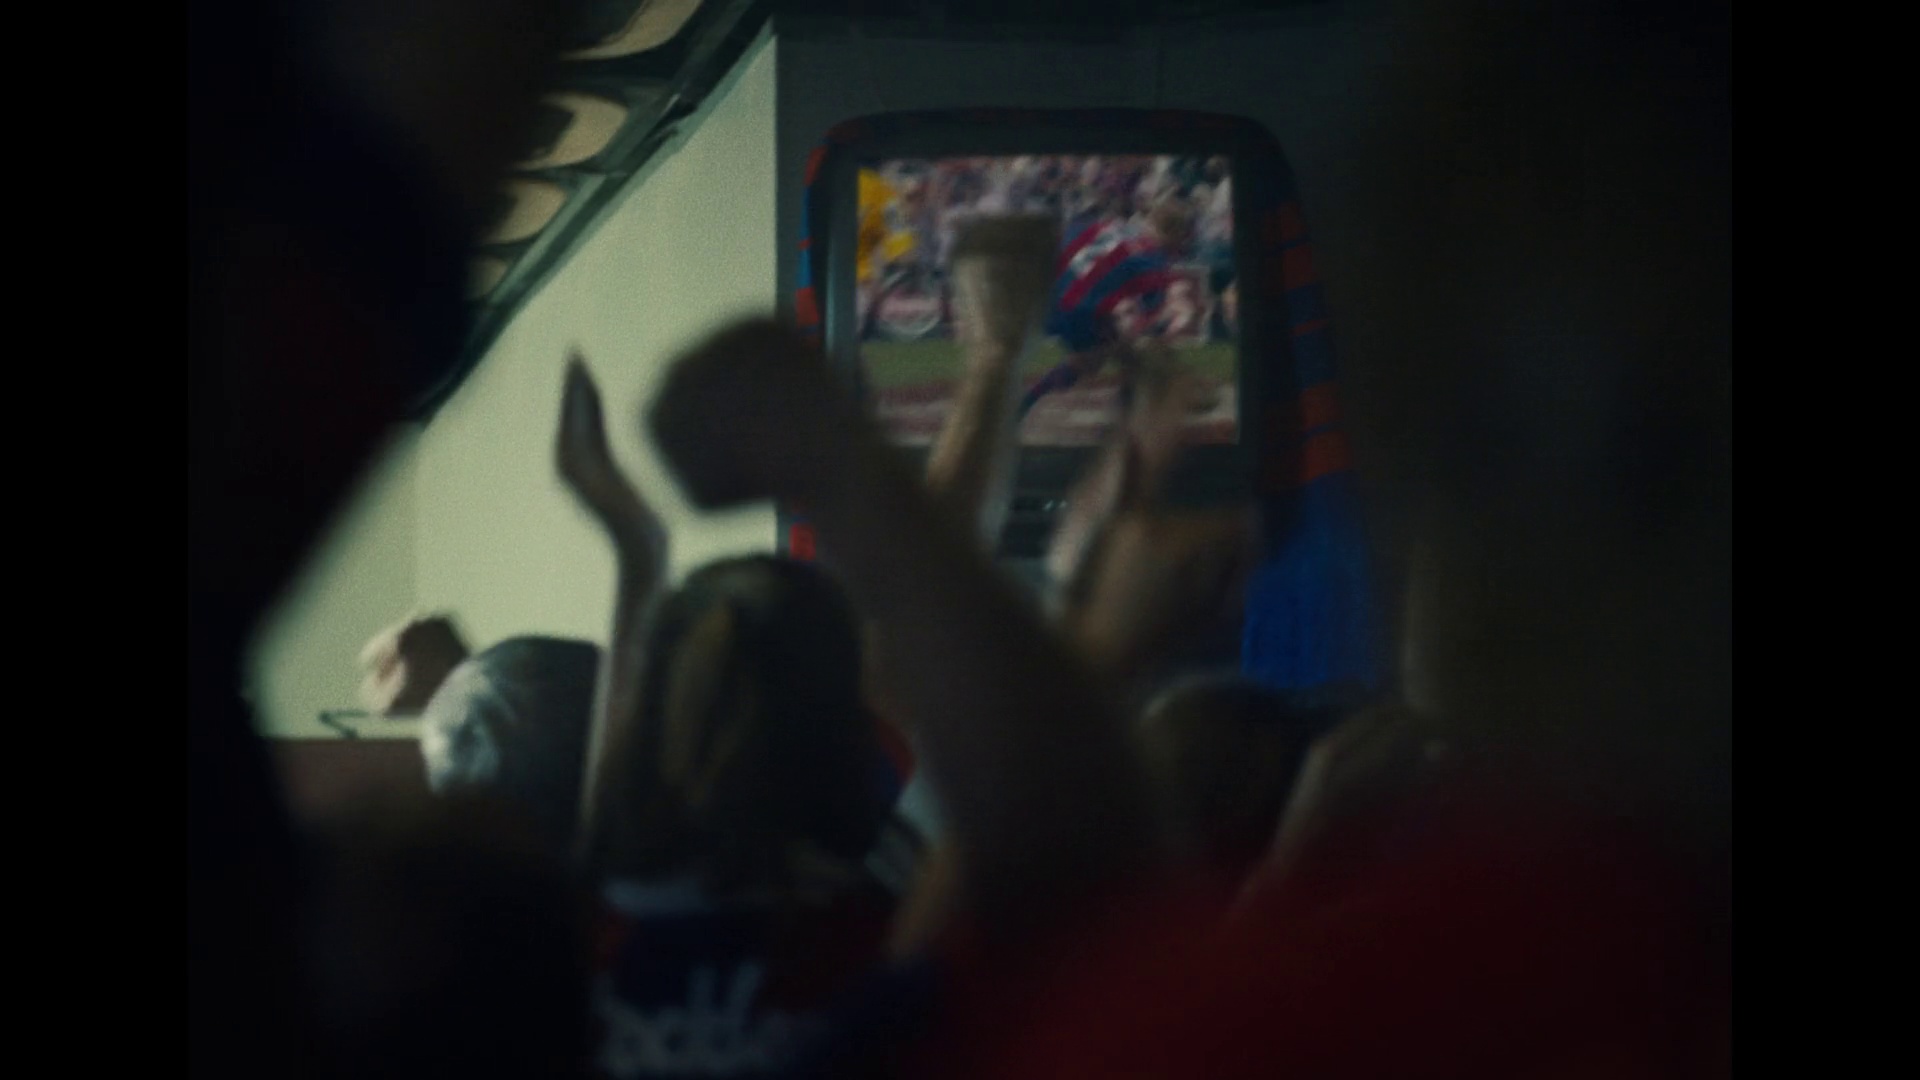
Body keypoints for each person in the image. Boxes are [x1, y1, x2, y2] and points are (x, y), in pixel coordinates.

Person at [555, 360, 905, 1079]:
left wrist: (638, 554)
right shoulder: (880, 930)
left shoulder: (598, 922)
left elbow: (619, 804)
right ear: (842, 716)